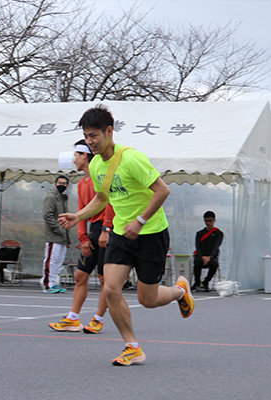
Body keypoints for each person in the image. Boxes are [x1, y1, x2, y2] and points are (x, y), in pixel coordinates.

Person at [58, 105, 195, 366]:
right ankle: (132, 347)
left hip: (150, 234)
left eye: (94, 136)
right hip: (121, 234)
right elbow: (101, 198)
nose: (90, 142)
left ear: (109, 132)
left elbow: (162, 191)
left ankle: (179, 291)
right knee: (110, 288)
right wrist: (79, 216)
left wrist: (141, 221)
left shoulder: (132, 158)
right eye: (86, 137)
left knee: (148, 299)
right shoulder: (96, 164)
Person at [49, 140, 114, 333]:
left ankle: (98, 319)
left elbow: (110, 202)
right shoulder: (83, 182)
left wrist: (106, 230)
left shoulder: (100, 176)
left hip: (108, 230)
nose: (74, 159)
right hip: (94, 230)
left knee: (104, 279)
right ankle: (73, 318)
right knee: (80, 275)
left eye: (76, 155)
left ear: (84, 155)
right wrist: (83, 238)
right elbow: (81, 211)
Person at [41, 175, 70, 294]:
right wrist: (58, 229)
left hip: (62, 235)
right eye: (60, 183)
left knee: (59, 260)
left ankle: (53, 282)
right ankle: (47, 284)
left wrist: (66, 236)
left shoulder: (63, 198)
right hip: (54, 235)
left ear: (67, 186)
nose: (62, 185)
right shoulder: (51, 196)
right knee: (51, 260)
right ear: (55, 184)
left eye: (64, 183)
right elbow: (47, 215)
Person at [192, 211, 224, 292]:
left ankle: (206, 282)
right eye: (206, 221)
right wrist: (202, 256)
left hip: (212, 257)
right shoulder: (199, 233)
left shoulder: (218, 233)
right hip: (201, 256)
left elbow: (216, 246)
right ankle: (197, 282)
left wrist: (210, 257)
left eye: (210, 221)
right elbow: (198, 247)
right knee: (197, 262)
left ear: (214, 220)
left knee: (214, 264)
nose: (208, 223)